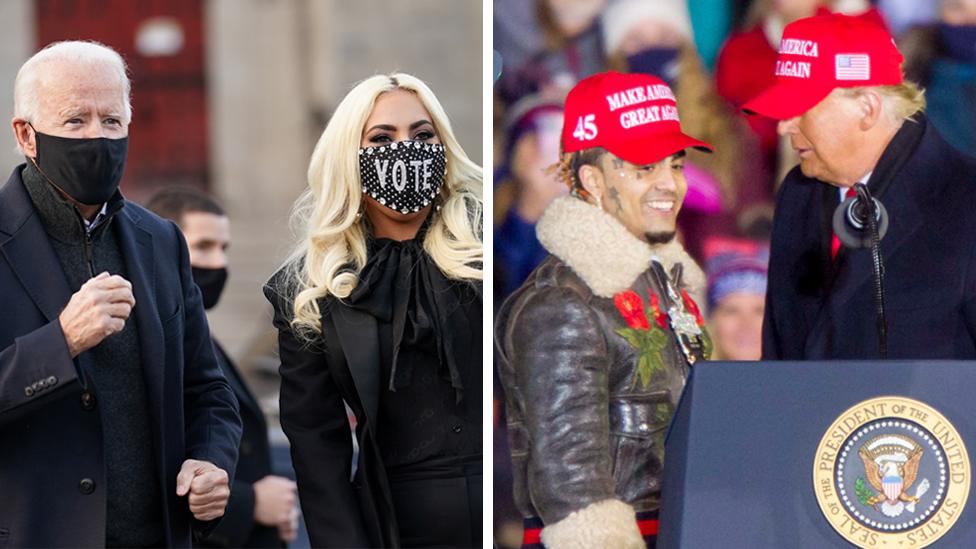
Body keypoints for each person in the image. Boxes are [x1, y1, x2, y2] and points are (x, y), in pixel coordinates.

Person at [0, 41, 241, 547]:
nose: (97, 136)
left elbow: (208, 391)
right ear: (27, 135)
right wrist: (60, 342)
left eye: (112, 121)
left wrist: (212, 463)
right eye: (75, 120)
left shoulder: (160, 240)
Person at [264, 73, 483, 548]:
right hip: (394, 524)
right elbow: (317, 445)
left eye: (422, 136)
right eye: (382, 138)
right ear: (349, 157)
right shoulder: (308, 288)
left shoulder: (485, 249)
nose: (406, 149)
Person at [496, 71, 712, 549]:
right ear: (592, 181)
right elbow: (574, 492)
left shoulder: (669, 286)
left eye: (674, 165)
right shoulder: (562, 304)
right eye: (644, 169)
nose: (669, 185)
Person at [744, 13, 976, 359]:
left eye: (800, 108)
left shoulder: (965, 196)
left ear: (867, 108)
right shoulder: (799, 194)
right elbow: (780, 349)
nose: (783, 127)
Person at [146, 187, 298, 547]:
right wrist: (251, 504)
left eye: (224, 249)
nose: (218, 264)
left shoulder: (199, 337)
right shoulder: (149, 340)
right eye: (202, 247)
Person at [703, 237, 769, 361]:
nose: (746, 324)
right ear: (712, 322)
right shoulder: (690, 379)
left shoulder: (806, 378)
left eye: (759, 311)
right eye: (732, 311)